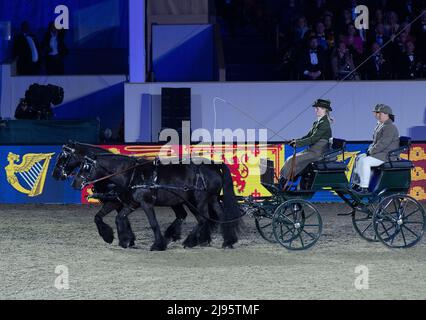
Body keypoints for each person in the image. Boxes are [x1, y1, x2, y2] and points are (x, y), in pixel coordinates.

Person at [279, 99, 333, 188]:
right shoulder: (317, 122)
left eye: (318, 108)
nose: (316, 110)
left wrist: (297, 144)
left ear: (324, 109)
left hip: (317, 153)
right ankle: (285, 179)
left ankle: (284, 182)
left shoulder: (325, 124)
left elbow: (313, 139)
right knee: (290, 159)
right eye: (316, 108)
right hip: (312, 150)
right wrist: (295, 141)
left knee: (293, 160)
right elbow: (308, 136)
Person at [352, 104, 400, 194]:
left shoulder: (390, 127)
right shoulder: (381, 125)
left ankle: (364, 187)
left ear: (387, 114)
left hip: (386, 155)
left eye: (379, 113)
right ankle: (357, 183)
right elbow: (375, 142)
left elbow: (383, 144)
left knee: (366, 161)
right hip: (380, 153)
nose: (377, 115)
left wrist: (371, 151)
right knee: (359, 158)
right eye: (376, 113)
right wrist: (369, 150)